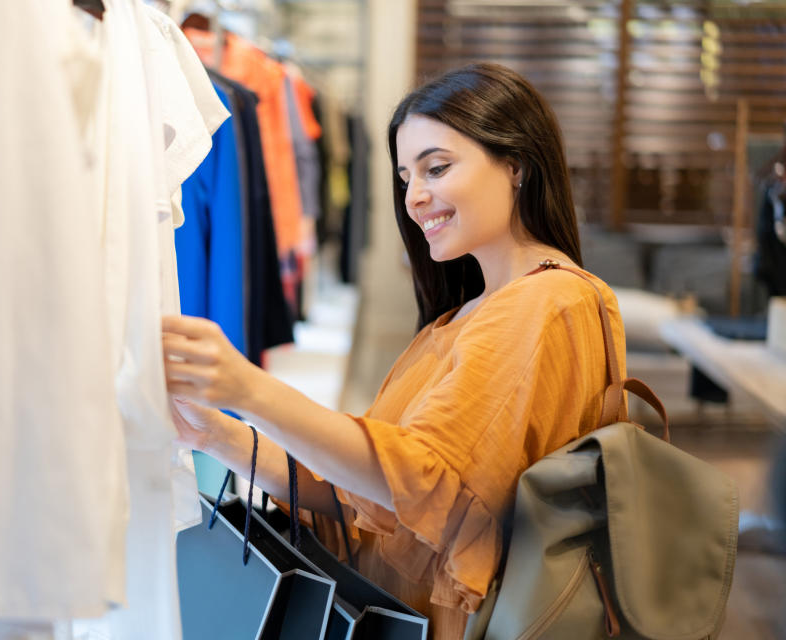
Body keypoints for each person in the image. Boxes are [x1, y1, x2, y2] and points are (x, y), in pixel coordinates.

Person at [162, 63, 626, 639]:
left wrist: (249, 390)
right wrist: (214, 433)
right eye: (406, 177)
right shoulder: (462, 317)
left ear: (516, 164)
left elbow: (420, 478)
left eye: (437, 167)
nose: (415, 197)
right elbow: (361, 494)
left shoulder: (551, 301)